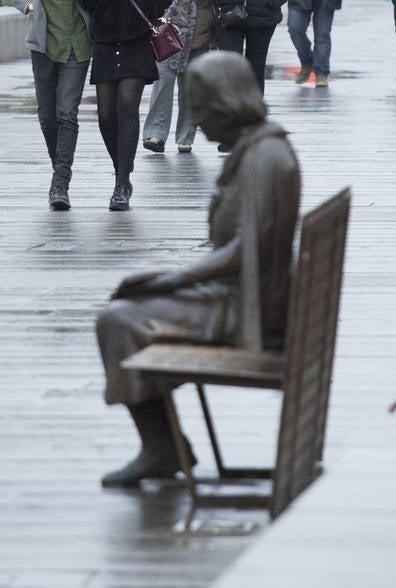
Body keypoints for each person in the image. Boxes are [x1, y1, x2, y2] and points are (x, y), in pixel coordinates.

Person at [96, 52, 300, 487]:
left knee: (119, 320)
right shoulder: (259, 148)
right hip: (244, 295)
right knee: (132, 303)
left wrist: (177, 278)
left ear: (228, 103)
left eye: (203, 111)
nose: (200, 123)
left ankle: (162, 446)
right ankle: (163, 444)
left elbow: (247, 248)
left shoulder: (264, 158)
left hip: (249, 310)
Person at [72, 0, 176, 210]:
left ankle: (120, 185)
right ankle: (124, 170)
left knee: (127, 105)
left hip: (135, 37)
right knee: (105, 114)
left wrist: (145, 8)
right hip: (105, 38)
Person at [0, 0, 95, 211]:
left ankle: (60, 184)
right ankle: (60, 168)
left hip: (78, 44)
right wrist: (26, 4)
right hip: (43, 42)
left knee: (67, 114)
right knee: (47, 117)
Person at [142, 0, 215, 153]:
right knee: (163, 79)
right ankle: (155, 134)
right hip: (166, 27)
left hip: (199, 28)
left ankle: (186, 136)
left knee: (190, 85)